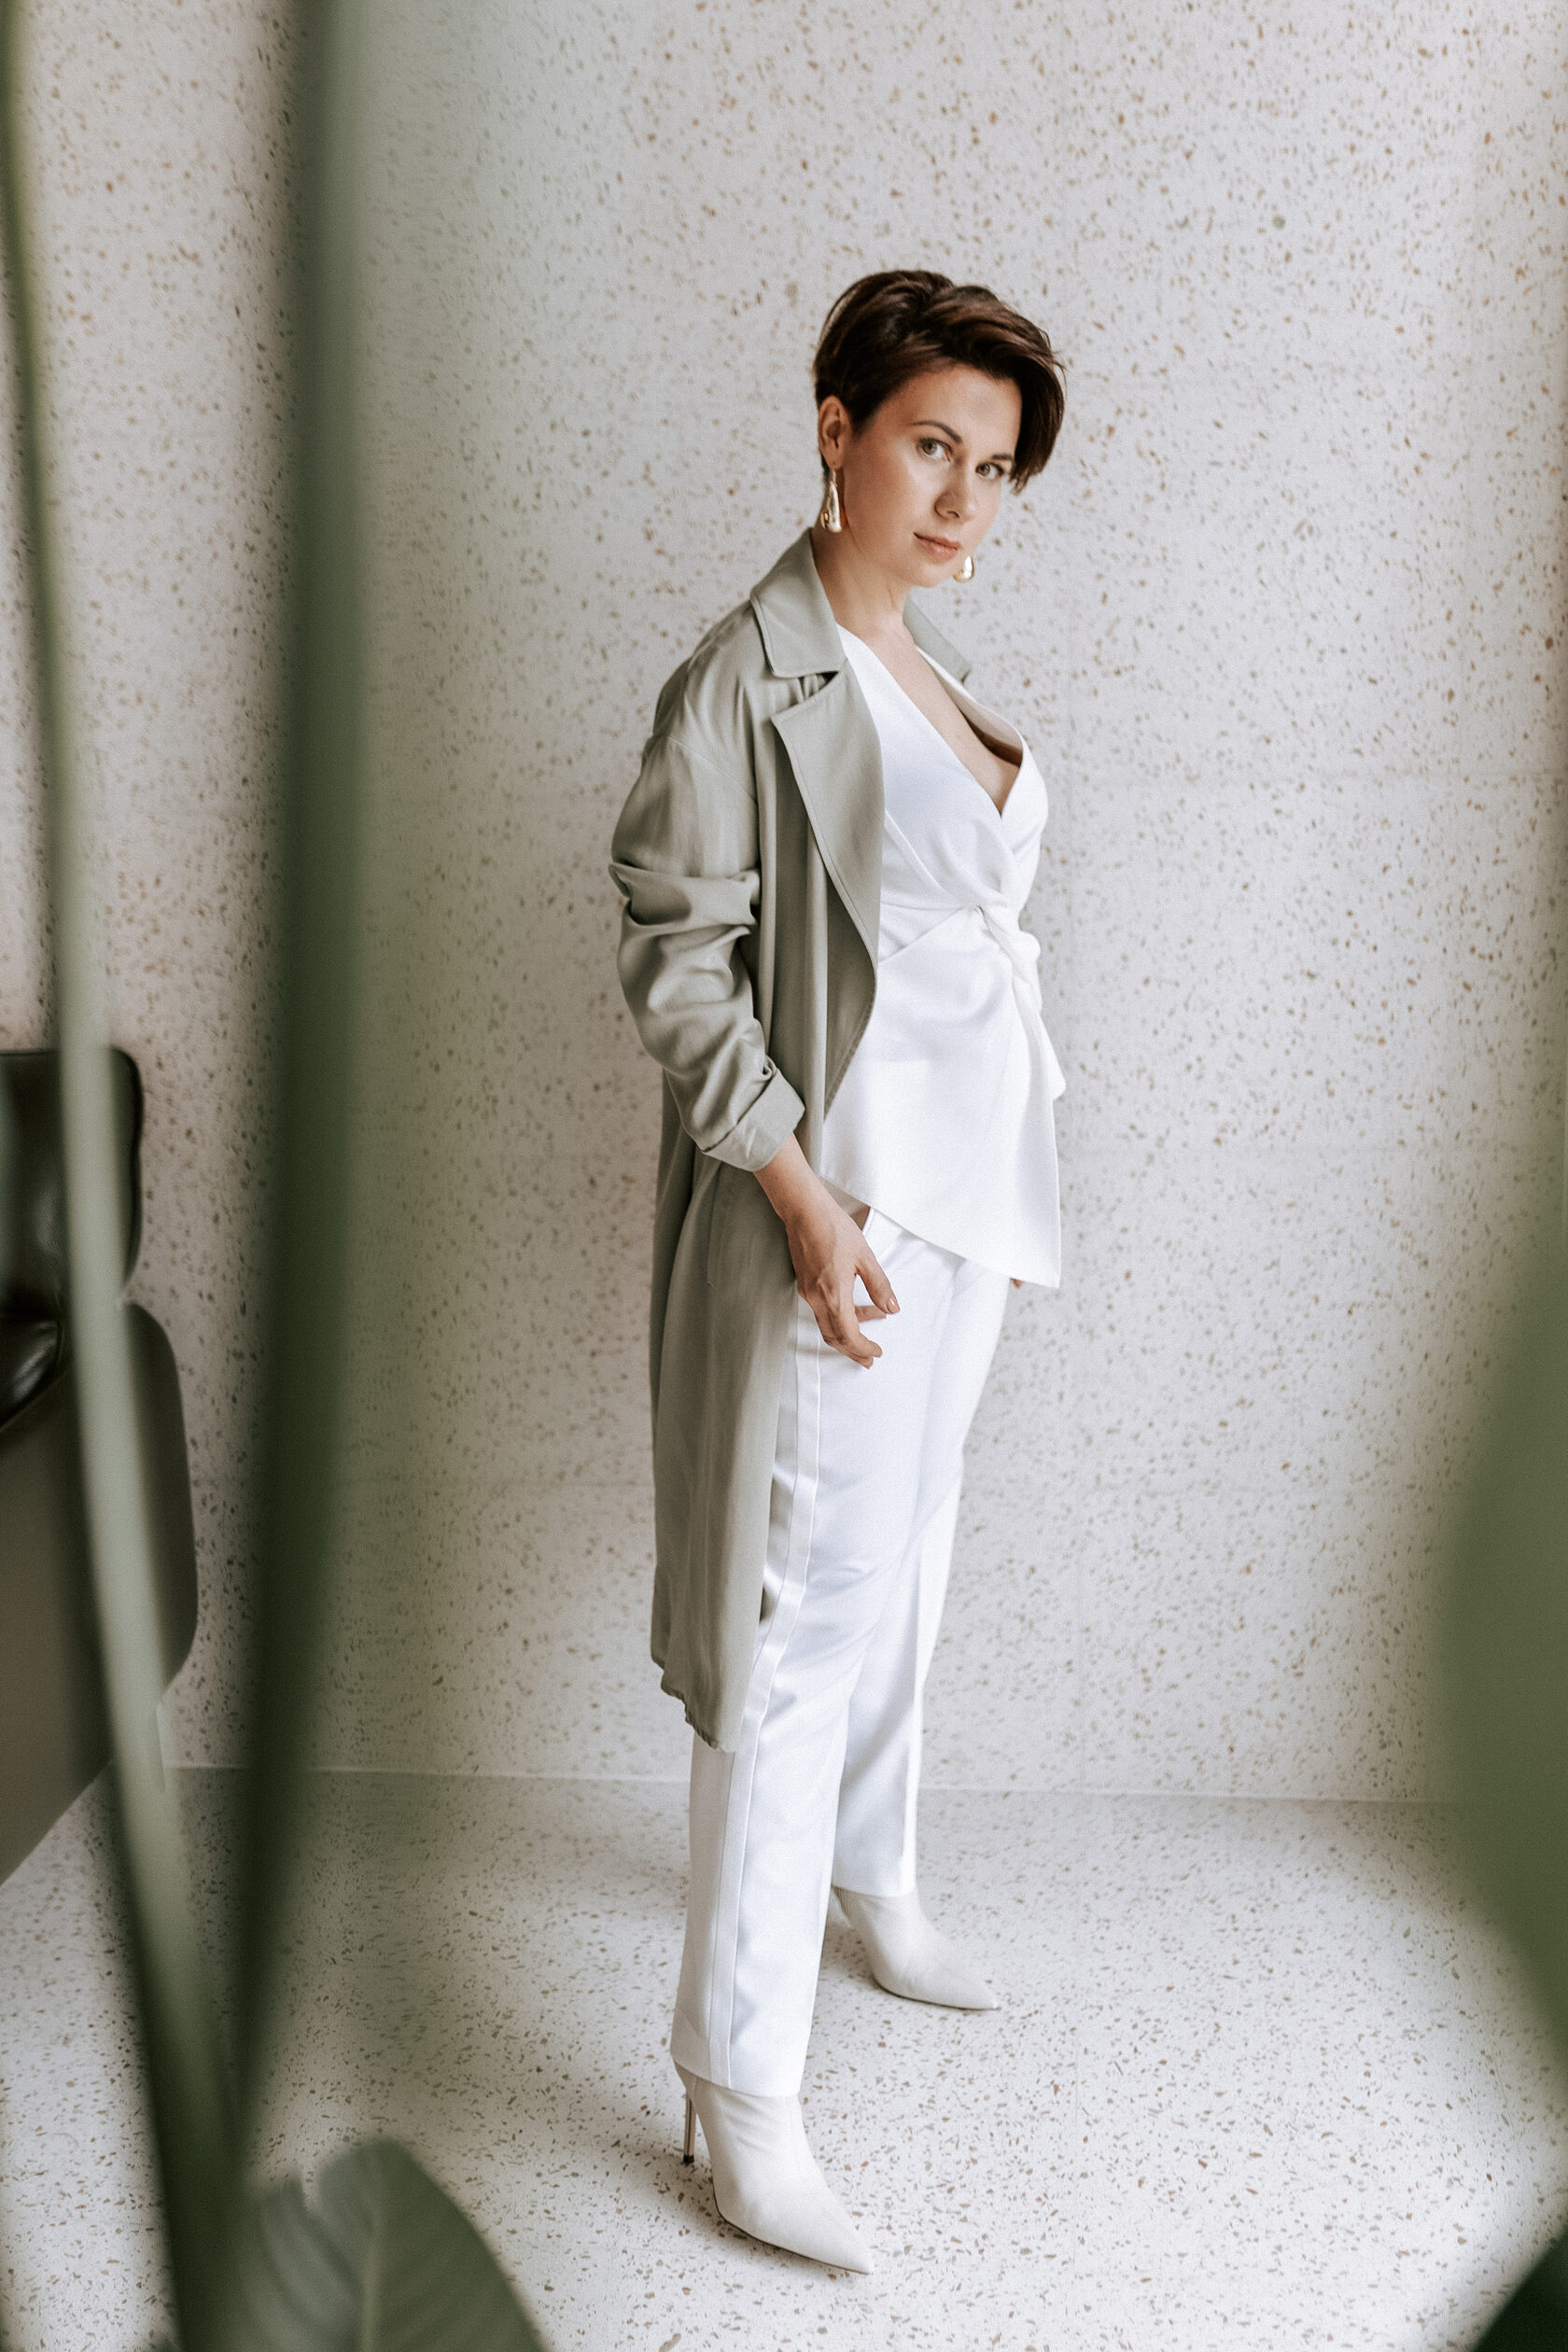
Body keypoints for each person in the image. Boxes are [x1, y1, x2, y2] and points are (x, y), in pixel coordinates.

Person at [609, 269, 1067, 2273]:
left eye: (997, 466)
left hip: (971, 1198)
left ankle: (872, 1881)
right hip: (847, 1217)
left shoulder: (916, 650)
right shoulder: (746, 676)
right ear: (834, 431)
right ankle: (738, 2095)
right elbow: (677, 960)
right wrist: (804, 1201)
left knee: (917, 1559)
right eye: (929, 445)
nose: (964, 497)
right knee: (794, 1632)